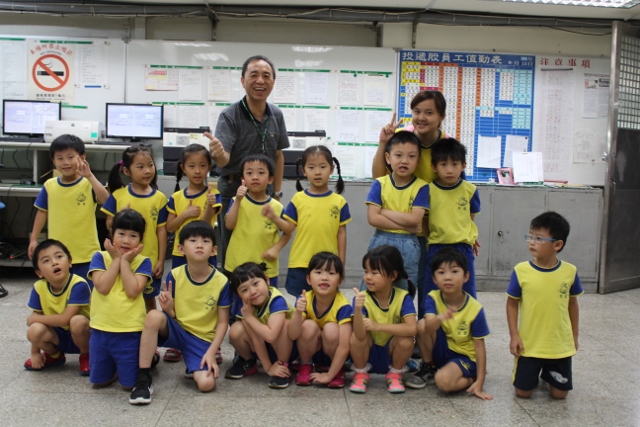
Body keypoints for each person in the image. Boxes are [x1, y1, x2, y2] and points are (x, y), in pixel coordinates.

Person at [129, 221, 230, 405]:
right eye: (193, 240)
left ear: (214, 250)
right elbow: (174, 316)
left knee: (206, 384)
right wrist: (168, 310)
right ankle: (143, 379)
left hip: (202, 339)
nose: (199, 245)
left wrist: (211, 351)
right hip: (177, 330)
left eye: (205, 241)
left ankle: (194, 364)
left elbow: (223, 323)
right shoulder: (175, 275)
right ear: (181, 249)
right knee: (153, 316)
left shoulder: (222, 281)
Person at [371, 90, 452, 319]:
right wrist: (383, 143)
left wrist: (467, 229)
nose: (421, 117)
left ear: (441, 117)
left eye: (429, 112)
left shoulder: (446, 145)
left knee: (425, 286)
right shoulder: (402, 137)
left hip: (432, 227)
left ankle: (421, 336)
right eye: (417, 112)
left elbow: (457, 188)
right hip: (397, 224)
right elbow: (380, 177)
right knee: (392, 285)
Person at [207, 55, 290, 271]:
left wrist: (277, 192)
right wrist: (217, 154)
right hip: (235, 190)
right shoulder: (229, 116)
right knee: (232, 249)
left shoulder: (277, 115)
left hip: (266, 193)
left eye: (266, 76)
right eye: (253, 75)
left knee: (262, 243)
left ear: (273, 82)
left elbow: (278, 155)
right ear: (243, 80)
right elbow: (224, 158)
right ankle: (232, 296)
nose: (260, 81)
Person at [506, 211, 583, 399]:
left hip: (559, 345)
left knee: (559, 395)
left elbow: (572, 304)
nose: (532, 242)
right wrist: (514, 335)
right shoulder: (521, 271)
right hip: (529, 344)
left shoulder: (570, 272)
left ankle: (548, 374)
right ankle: (535, 373)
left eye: (539, 238)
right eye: (530, 236)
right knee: (522, 392)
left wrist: (574, 334)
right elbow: (512, 304)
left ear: (558, 244)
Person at [406, 247, 492, 400]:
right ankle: (429, 366)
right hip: (443, 348)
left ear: (466, 276)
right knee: (422, 324)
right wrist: (441, 317)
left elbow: (479, 347)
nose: (447, 277)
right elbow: (428, 327)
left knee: (443, 382)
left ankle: (470, 378)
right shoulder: (433, 296)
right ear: (434, 279)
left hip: (463, 357)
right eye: (441, 272)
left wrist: (480, 381)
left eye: (454, 271)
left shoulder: (475, 309)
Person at [269, 145, 351, 297]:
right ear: (304, 171)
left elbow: (342, 234)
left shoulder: (339, 201)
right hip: (301, 263)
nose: (317, 172)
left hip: (328, 265)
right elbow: (288, 228)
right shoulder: (298, 199)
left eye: (323, 166)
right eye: (311, 167)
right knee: (302, 305)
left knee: (325, 303)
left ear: (332, 169)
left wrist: (341, 264)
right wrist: (274, 217)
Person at [165, 143, 222, 364]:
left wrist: (208, 206)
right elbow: (170, 227)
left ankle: (211, 342)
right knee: (179, 297)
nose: (197, 171)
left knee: (208, 296)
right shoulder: (177, 197)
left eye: (202, 166)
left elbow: (207, 225)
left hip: (206, 255)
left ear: (209, 168)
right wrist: (186, 214)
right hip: (181, 255)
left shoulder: (213, 193)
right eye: (192, 166)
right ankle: (178, 340)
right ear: (183, 168)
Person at [28, 134, 109, 286]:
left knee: (87, 295)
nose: (65, 162)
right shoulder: (49, 186)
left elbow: (107, 201)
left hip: (86, 253)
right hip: (57, 256)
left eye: (70, 157)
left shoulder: (88, 183)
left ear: (82, 157)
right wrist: (33, 240)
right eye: (60, 158)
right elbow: (42, 212)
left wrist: (90, 176)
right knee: (62, 293)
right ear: (53, 161)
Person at [88, 209, 153, 390]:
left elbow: (132, 290)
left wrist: (125, 262)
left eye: (133, 235)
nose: (126, 240)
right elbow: (102, 286)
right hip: (100, 329)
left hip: (130, 331)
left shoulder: (143, 261)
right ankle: (112, 368)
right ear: (112, 233)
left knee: (128, 385)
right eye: (121, 234)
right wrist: (116, 259)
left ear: (140, 240)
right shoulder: (100, 256)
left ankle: (146, 359)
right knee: (98, 382)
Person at [102, 146, 168, 319]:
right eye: (140, 167)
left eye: (150, 165)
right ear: (126, 170)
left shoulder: (159, 198)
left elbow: (161, 231)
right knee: (123, 297)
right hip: (122, 258)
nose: (147, 171)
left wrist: (161, 260)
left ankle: (151, 339)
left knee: (148, 301)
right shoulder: (118, 195)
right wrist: (120, 216)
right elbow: (109, 224)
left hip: (148, 262)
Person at [349, 245, 417, 394]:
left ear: (392, 276)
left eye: (374, 272)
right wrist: (358, 309)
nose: (368, 277)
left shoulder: (402, 297)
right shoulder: (362, 298)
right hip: (368, 353)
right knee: (355, 338)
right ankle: (360, 374)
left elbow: (412, 328)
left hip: (391, 353)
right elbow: (359, 335)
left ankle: (395, 374)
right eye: (366, 271)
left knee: (406, 339)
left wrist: (378, 326)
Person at [365, 130, 428, 289]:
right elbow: (373, 218)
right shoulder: (379, 184)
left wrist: (383, 212)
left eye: (411, 156)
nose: (404, 161)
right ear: (388, 157)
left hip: (409, 245)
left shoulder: (422, 187)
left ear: (418, 161)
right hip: (380, 241)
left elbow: (415, 219)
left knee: (404, 290)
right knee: (374, 288)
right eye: (398, 155)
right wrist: (406, 226)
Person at [24, 239, 91, 376]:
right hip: (57, 335)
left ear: (70, 261)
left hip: (83, 335)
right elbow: (35, 319)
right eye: (46, 261)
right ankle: (55, 355)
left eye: (59, 256)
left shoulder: (78, 284)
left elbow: (66, 319)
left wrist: (36, 318)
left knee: (77, 321)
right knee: (34, 330)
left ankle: (86, 355)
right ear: (39, 273)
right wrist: (35, 353)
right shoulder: (39, 288)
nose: (54, 262)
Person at [424, 138, 480, 299]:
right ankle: (433, 323)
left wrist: (469, 236)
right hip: (436, 247)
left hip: (463, 248)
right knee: (433, 292)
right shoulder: (428, 191)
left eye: (455, 164)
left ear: (463, 165)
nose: (449, 170)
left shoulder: (470, 190)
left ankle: (466, 323)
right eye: (443, 165)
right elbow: (425, 220)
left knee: (466, 291)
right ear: (434, 167)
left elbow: (470, 217)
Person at [224, 153, 291, 287]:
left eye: (261, 173)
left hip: (265, 268)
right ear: (243, 178)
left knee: (266, 305)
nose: (255, 177)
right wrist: (238, 200)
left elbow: (288, 230)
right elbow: (229, 225)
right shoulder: (236, 201)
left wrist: (276, 248)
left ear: (270, 179)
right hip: (237, 265)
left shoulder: (276, 207)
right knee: (237, 304)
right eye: (249, 173)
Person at [288, 252, 352, 389]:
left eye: (331, 273)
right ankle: (306, 365)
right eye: (318, 272)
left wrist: (329, 376)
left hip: (335, 355)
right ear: (308, 279)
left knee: (331, 329)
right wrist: (298, 313)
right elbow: (292, 334)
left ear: (340, 280)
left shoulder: (343, 306)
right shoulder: (305, 299)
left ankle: (336, 370)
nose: (324, 278)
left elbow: (345, 346)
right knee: (308, 325)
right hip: (311, 351)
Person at [225, 262, 294, 389]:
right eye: (244, 290)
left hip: (290, 350)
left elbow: (271, 336)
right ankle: (249, 362)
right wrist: (268, 368)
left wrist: (250, 317)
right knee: (236, 329)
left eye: (256, 283)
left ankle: (283, 366)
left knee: (284, 326)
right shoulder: (244, 306)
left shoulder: (276, 300)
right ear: (238, 295)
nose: (253, 292)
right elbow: (256, 338)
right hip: (264, 347)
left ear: (267, 280)